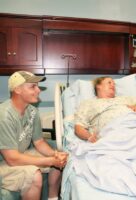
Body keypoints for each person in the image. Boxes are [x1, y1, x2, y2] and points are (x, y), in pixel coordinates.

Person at [0, 71, 68, 200]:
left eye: (37, 86)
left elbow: (39, 142)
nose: (38, 90)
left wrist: (55, 155)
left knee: (60, 157)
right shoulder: (4, 115)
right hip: (4, 162)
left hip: (20, 154)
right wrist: (49, 161)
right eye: (32, 87)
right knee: (34, 175)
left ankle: (52, 197)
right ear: (18, 89)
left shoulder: (32, 111)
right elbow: (12, 159)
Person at [75, 76, 136, 143]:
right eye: (109, 82)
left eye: (114, 84)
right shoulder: (88, 103)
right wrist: (89, 136)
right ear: (98, 86)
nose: (113, 85)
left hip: (135, 131)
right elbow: (78, 127)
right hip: (109, 135)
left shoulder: (128, 99)